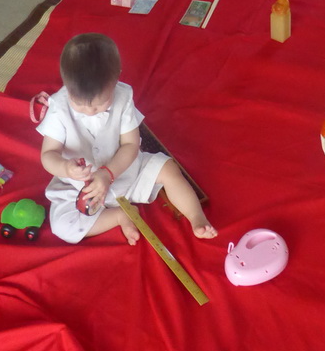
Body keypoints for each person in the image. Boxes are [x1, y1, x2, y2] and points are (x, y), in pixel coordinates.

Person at [37, 32, 217, 245]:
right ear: (66, 85)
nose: (90, 111)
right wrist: (66, 169)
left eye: (99, 104)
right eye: (80, 105)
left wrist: (108, 173)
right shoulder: (58, 106)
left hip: (124, 170)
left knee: (168, 168)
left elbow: (131, 145)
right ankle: (119, 216)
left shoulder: (123, 96)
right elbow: (48, 155)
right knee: (61, 227)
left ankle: (196, 217)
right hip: (80, 187)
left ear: (116, 80)